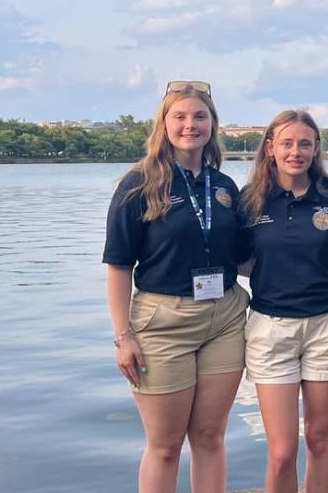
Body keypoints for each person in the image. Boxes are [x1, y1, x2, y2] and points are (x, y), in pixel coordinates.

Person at [103, 81, 250, 493]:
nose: (191, 125)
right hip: (162, 323)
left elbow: (241, 258)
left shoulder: (223, 186)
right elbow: (118, 266)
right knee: (165, 447)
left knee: (209, 438)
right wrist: (122, 337)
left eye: (200, 116)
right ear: (163, 124)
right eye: (180, 116)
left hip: (225, 317)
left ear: (212, 124)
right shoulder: (138, 184)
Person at [237, 110, 328, 493]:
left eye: (305, 143)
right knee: (282, 450)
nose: (296, 152)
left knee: (319, 439)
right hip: (272, 329)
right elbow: (237, 260)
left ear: (316, 148)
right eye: (286, 143)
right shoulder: (250, 201)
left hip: (327, 324)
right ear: (270, 148)